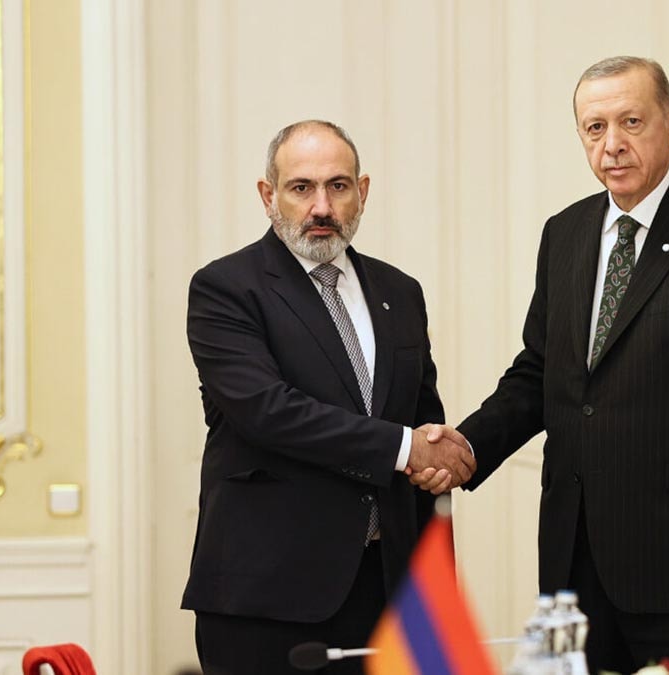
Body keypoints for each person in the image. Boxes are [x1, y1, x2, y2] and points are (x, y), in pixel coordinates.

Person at [414, 56, 669, 673]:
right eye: (594, 128)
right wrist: (468, 447)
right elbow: (540, 373)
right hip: (574, 562)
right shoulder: (564, 234)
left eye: (630, 122)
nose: (611, 144)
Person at [182, 120, 476, 675]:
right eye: (302, 187)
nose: (322, 207)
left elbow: (421, 416)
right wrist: (407, 448)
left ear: (361, 192)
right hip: (270, 599)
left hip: (390, 591)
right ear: (269, 195)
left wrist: (438, 453)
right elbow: (269, 412)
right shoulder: (226, 288)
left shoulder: (400, 292)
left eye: (338, 186)